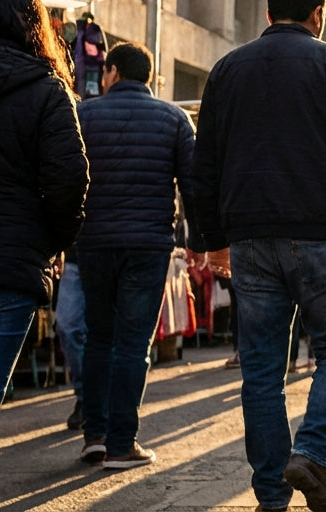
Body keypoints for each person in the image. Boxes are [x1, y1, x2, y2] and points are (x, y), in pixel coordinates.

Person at [191, 0, 326, 512]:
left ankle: (272, 495)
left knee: (261, 369)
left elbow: (202, 162)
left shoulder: (227, 69)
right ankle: (311, 450)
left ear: (267, 13)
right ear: (317, 16)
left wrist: (209, 238)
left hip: (250, 238)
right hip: (322, 235)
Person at [0, 0, 88, 510]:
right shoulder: (46, 89)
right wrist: (52, 243)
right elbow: (69, 181)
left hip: (2, 261)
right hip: (7, 268)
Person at [74, 42, 206, 470]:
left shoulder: (85, 115)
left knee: (98, 336)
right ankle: (121, 443)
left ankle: (93, 434)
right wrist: (199, 241)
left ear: (111, 72)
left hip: (92, 242)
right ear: (148, 77)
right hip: (148, 245)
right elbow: (193, 187)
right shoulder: (173, 118)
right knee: (133, 344)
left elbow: (65, 176)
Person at [53, 257, 87, 430]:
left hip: (112, 251)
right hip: (75, 256)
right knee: (66, 327)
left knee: (107, 330)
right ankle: (84, 396)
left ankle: (101, 400)